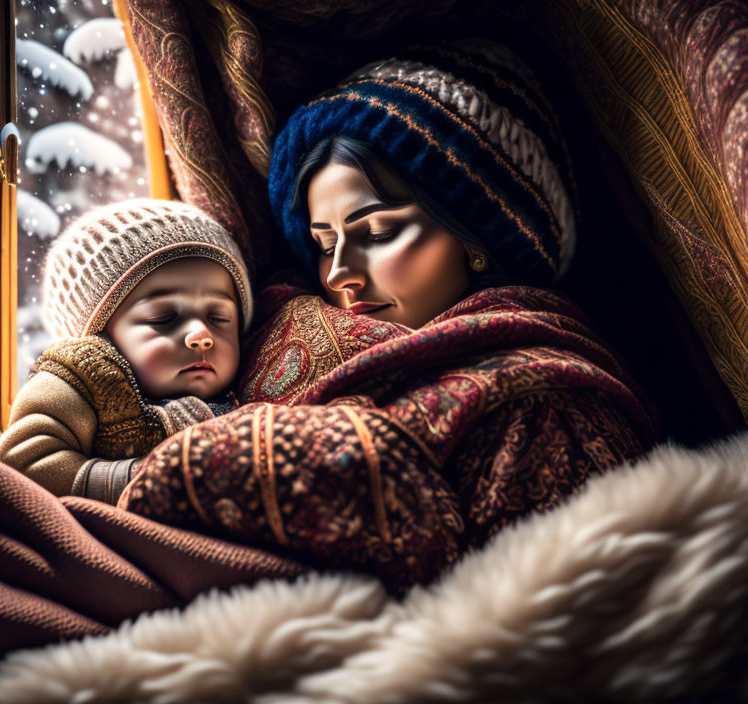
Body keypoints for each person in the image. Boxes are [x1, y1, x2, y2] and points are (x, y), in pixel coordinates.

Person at [120, 41, 657, 591]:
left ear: (475, 235)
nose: (338, 274)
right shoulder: (263, 323)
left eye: (376, 233)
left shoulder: (543, 407)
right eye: (324, 245)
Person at [0, 199, 253, 504]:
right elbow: (21, 465)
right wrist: (143, 479)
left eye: (219, 318)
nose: (201, 335)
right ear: (100, 338)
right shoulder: (83, 379)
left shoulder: (247, 390)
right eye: (163, 318)